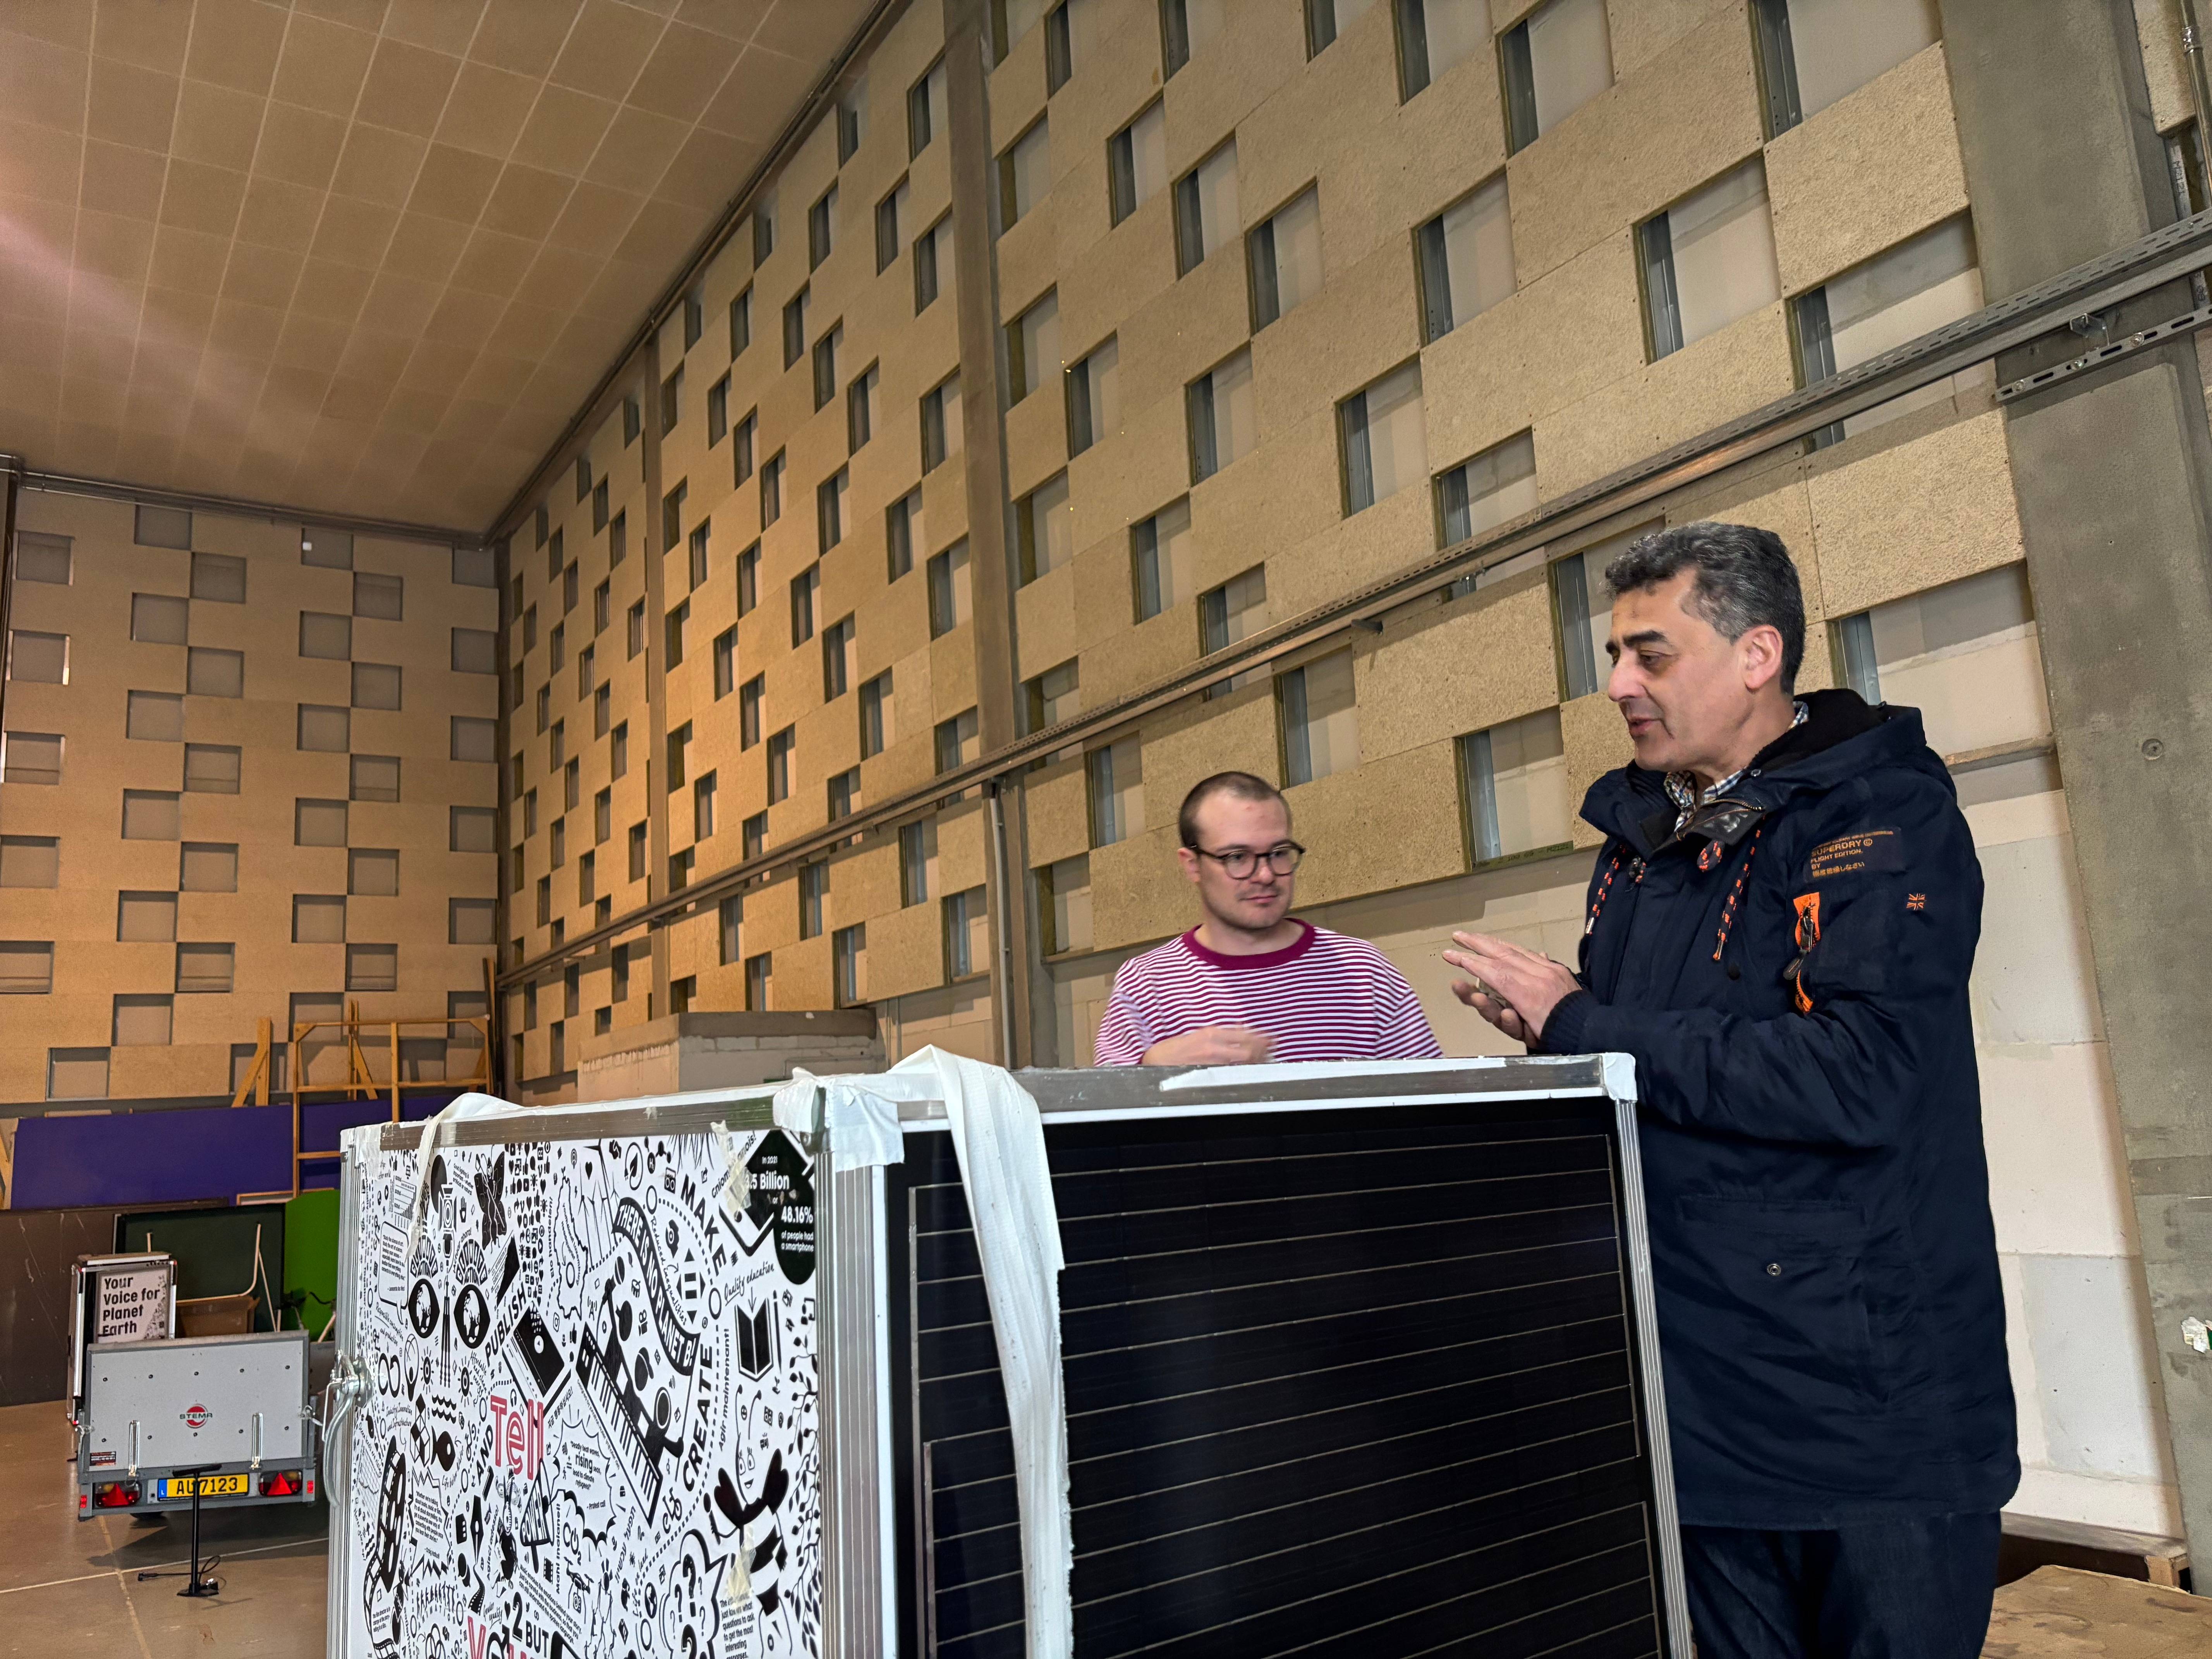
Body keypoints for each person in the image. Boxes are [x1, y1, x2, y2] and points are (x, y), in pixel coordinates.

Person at [1443, 523, 2015, 1659]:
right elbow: (1654, 1072)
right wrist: (1559, 1047)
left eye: (1649, 655)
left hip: (1867, 1415)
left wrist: (1584, 1023)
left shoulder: (1877, 815)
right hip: (1701, 1413)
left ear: (1757, 655)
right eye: (1614, 655)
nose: (1617, 685)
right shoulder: (1641, 841)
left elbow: (1862, 1075)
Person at [1092, 771, 1441, 1065]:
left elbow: (1429, 1102)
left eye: (1278, 853)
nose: (1265, 875)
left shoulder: (1363, 970)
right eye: (1237, 857)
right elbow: (1100, 1114)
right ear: (1192, 865)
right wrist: (1150, 1069)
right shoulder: (1147, 983)